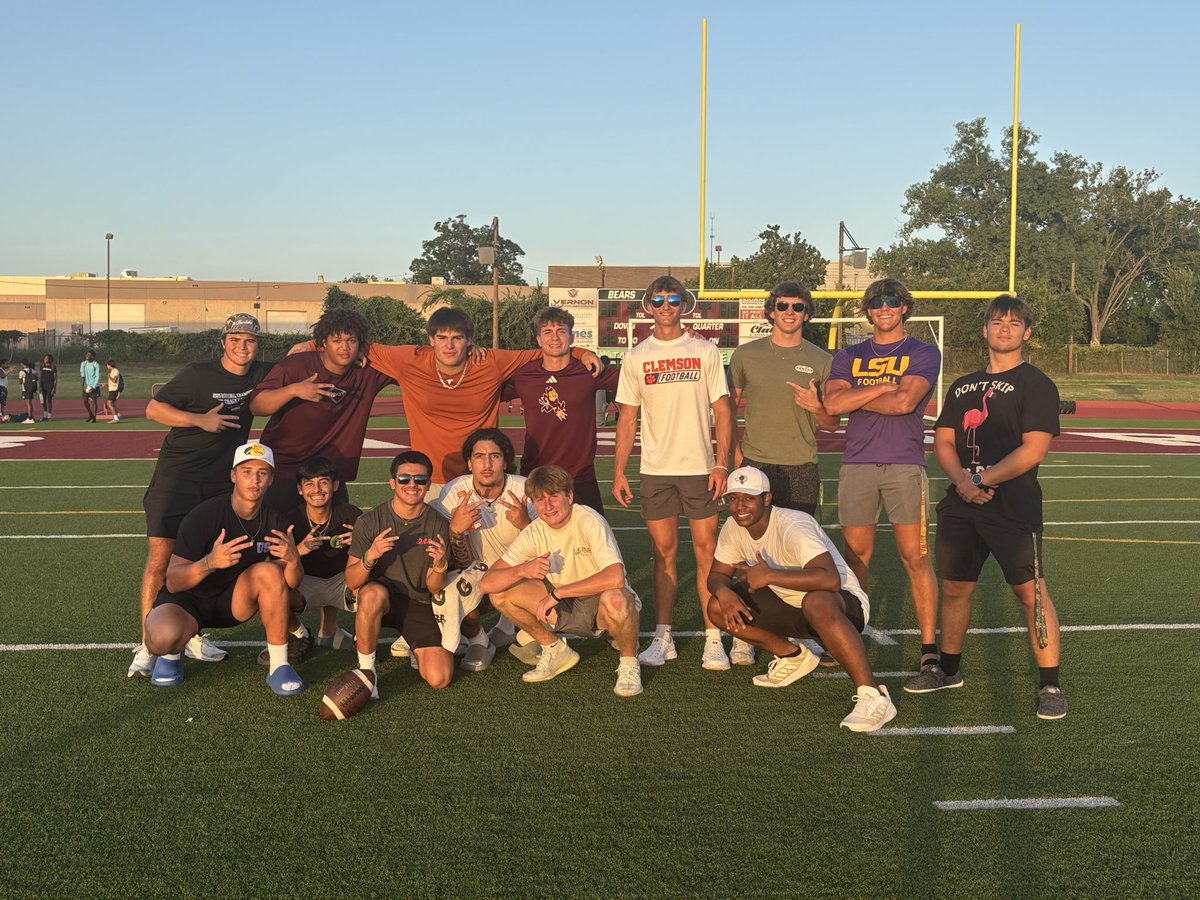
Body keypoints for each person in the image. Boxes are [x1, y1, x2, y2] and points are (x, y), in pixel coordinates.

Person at [904, 295, 1066, 720]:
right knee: (956, 587)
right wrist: (962, 482)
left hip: (1013, 505)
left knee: (1031, 593)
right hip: (963, 504)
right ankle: (949, 668)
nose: (1005, 329)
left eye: (1014, 323)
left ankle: (1050, 682)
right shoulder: (963, 386)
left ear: (1027, 332)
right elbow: (943, 439)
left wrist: (981, 480)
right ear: (985, 330)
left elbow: (1033, 451)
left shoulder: (1037, 384)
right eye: (997, 322)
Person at [128, 313, 275, 679]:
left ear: (258, 345)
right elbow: (153, 409)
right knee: (162, 558)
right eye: (236, 340)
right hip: (177, 479)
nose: (243, 347)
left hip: (219, 486)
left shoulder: (261, 373)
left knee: (210, 558)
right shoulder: (197, 374)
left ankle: (193, 632)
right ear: (223, 342)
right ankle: (148, 642)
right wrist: (200, 421)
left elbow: (303, 356)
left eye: (250, 341)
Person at [707, 466, 897, 731]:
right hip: (792, 604)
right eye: (734, 498)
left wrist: (771, 575)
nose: (739, 506)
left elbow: (829, 579)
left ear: (767, 498)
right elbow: (716, 575)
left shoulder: (792, 524)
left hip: (842, 605)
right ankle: (793, 656)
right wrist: (724, 592)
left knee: (815, 601)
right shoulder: (732, 526)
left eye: (748, 498)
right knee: (716, 607)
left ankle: (873, 696)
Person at [612, 275, 738, 671]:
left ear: (685, 305)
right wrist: (619, 472)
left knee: (707, 553)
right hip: (656, 471)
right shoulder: (636, 357)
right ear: (648, 306)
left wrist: (722, 462)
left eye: (673, 299)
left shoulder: (705, 350)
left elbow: (723, 410)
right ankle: (663, 636)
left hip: (700, 468)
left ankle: (713, 637)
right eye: (659, 299)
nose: (666, 306)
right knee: (662, 555)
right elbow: (627, 418)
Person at [337, 306, 601, 493]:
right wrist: (311, 346)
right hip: (432, 480)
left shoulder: (490, 362)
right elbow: (351, 345)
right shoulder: (409, 360)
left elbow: (543, 351)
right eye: (442, 338)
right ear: (431, 340)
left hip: (483, 478)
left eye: (457, 338)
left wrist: (579, 351)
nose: (449, 346)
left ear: (469, 341)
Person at [823, 278, 941, 673]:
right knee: (856, 558)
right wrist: (883, 388)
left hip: (904, 464)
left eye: (892, 300)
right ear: (868, 310)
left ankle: (928, 647)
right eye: (876, 302)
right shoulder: (848, 355)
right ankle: (852, 632)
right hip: (857, 463)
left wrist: (860, 394)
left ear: (904, 307)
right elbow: (833, 403)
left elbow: (905, 403)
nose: (884, 307)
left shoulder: (922, 352)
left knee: (916, 557)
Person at [143, 441, 308, 696]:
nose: (255, 480)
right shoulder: (204, 515)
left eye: (262, 473)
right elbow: (174, 581)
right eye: (247, 472)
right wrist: (210, 563)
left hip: (231, 603)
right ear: (233, 476)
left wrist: (294, 560)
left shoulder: (275, 520)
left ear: (271, 479)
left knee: (271, 573)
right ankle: (172, 655)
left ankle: (279, 665)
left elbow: (291, 583)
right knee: (160, 638)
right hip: (187, 601)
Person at [480, 465, 643, 697]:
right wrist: (522, 570)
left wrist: (558, 594)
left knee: (617, 599)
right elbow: (487, 583)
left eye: (554, 497)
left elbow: (615, 576)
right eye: (539, 500)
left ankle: (629, 661)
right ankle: (554, 649)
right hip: (565, 606)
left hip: (600, 606)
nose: (547, 507)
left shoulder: (587, 519)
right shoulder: (535, 530)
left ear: (570, 496)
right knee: (501, 592)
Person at [346, 450, 469, 697]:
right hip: (382, 599)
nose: (412, 485)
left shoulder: (438, 524)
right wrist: (370, 556)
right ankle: (367, 673)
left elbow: (435, 588)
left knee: (440, 678)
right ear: (393, 483)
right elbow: (352, 581)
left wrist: (440, 565)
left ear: (428, 484)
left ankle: (412, 642)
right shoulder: (370, 521)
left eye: (420, 480)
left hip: (420, 603)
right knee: (371, 595)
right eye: (404, 479)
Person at [252, 308, 392, 512]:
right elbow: (257, 405)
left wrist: (371, 353)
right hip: (285, 471)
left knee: (336, 536)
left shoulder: (367, 373)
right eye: (337, 341)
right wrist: (293, 390)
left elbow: (407, 365)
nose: (344, 348)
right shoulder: (297, 365)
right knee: (277, 533)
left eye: (351, 341)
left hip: (330, 475)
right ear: (323, 343)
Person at [431, 428, 537, 670]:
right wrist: (456, 531)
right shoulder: (454, 492)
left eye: (495, 456)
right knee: (445, 587)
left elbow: (548, 549)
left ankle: (523, 630)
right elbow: (457, 560)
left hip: (520, 572)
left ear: (506, 461)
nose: (487, 464)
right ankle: (479, 639)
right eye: (479, 456)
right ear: (469, 463)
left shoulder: (525, 490)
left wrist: (526, 526)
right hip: (477, 573)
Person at [729, 281, 837, 515]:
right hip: (755, 462)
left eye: (798, 307)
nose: (790, 312)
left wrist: (817, 408)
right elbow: (727, 410)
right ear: (771, 311)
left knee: (798, 543)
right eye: (783, 306)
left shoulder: (822, 360)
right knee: (753, 541)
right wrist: (736, 452)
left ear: (806, 315)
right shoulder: (745, 355)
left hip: (801, 465)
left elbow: (832, 425)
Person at [504, 306, 620, 515]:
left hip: (580, 476)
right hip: (536, 475)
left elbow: (635, 374)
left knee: (594, 541)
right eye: (547, 332)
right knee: (538, 543)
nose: (555, 338)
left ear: (571, 336)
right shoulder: (524, 375)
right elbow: (486, 389)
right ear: (539, 340)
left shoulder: (589, 371)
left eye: (561, 331)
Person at [286, 456, 362, 650]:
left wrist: (361, 543)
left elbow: (375, 557)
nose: (317, 490)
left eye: (323, 482)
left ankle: (362, 642)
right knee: (272, 593)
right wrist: (298, 551)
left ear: (335, 485)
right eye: (309, 484)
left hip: (342, 581)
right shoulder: (291, 519)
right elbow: (276, 565)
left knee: (376, 588)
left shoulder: (351, 514)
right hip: (305, 582)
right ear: (300, 489)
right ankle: (299, 636)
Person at [80, 350, 101, 422]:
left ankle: (94, 417)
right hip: (86, 386)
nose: (87, 356)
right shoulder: (83, 364)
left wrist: (93, 387)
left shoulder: (96, 364)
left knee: (94, 402)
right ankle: (90, 415)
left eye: (89, 355)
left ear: (93, 356)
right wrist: (84, 386)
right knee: (85, 401)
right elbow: (82, 375)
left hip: (93, 386)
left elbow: (97, 376)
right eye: (87, 354)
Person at [39, 354, 59, 421]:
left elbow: (55, 378)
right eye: (44, 358)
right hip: (43, 385)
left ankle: (49, 416)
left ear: (50, 359)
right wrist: (39, 386)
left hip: (50, 385)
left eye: (46, 358)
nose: (45, 359)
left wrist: (54, 388)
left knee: (49, 400)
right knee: (43, 400)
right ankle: (45, 415)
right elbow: (40, 376)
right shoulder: (42, 366)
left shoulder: (53, 367)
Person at [19, 358, 38, 423]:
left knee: (28, 403)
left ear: (22, 364)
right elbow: (36, 377)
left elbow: (20, 382)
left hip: (25, 389)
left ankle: (30, 418)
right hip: (31, 389)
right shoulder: (32, 370)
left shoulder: (22, 372)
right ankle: (31, 417)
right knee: (30, 403)